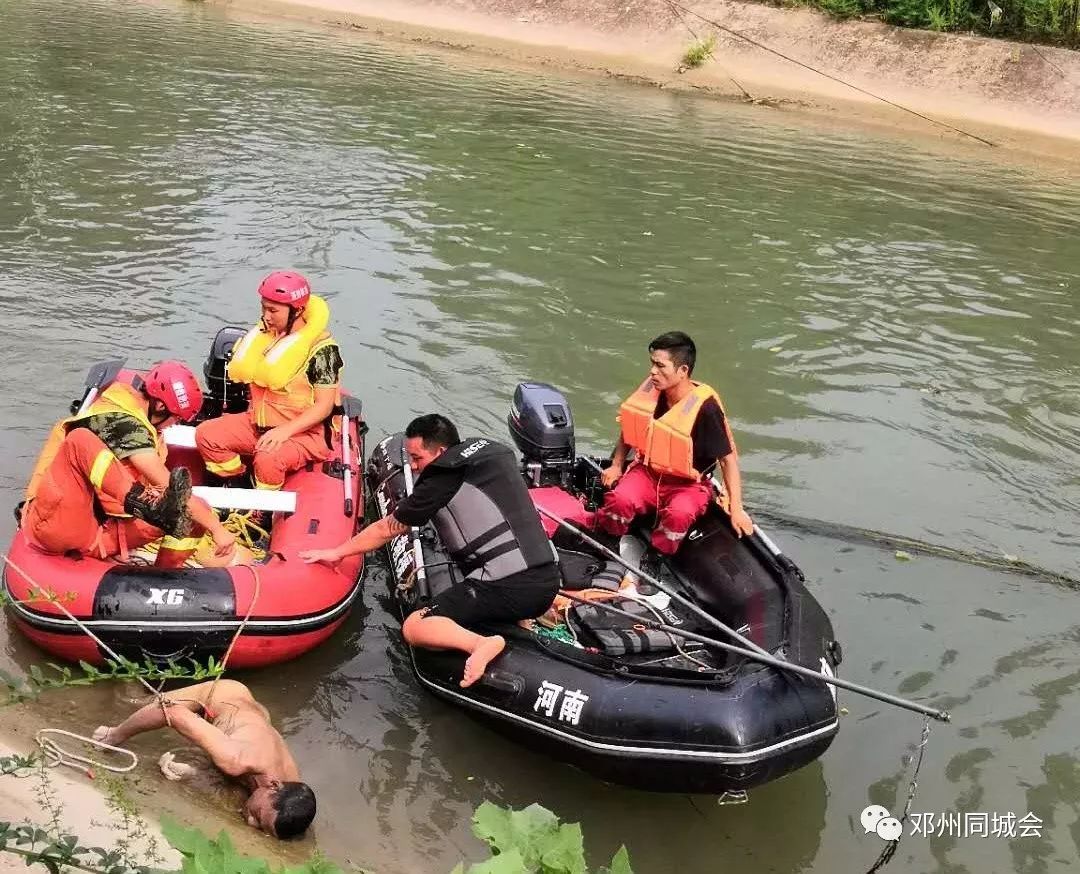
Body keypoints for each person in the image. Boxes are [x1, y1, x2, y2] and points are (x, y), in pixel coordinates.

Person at [300, 414, 560, 688]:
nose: (411, 467)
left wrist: (338, 552)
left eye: (416, 458)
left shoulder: (444, 476)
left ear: (441, 452)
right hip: (547, 582)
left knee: (415, 626)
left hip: (509, 588)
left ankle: (481, 643)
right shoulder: (494, 452)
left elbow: (386, 529)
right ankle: (523, 626)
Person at [21, 362, 235, 567]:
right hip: (59, 523)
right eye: (176, 419)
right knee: (80, 440)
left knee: (194, 514)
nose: (173, 426)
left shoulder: (129, 402)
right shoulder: (126, 427)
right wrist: (217, 529)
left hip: (101, 526)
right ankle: (142, 504)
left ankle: (165, 575)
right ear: (160, 406)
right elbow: (174, 489)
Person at [92, 680, 315, 839]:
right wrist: (116, 734)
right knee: (135, 702)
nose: (250, 822)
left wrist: (194, 774)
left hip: (251, 716)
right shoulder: (236, 759)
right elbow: (172, 713)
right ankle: (128, 678)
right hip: (220, 696)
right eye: (257, 815)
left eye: (260, 827)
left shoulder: (292, 786)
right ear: (274, 786)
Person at [594, 331, 753, 555]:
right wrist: (617, 464)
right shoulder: (653, 390)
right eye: (652, 364)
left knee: (679, 513)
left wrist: (736, 509)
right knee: (620, 499)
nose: (652, 371)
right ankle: (608, 540)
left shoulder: (705, 409)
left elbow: (727, 461)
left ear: (682, 371)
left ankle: (657, 555)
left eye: (660, 366)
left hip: (687, 484)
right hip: (647, 473)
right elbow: (631, 426)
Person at [195, 271, 344, 492]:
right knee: (206, 435)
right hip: (257, 423)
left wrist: (285, 431)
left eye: (273, 310)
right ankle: (239, 480)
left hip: (305, 434)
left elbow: (324, 406)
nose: (266, 316)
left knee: (268, 457)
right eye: (263, 308)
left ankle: (261, 511)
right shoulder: (266, 337)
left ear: (298, 310)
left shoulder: (323, 351)